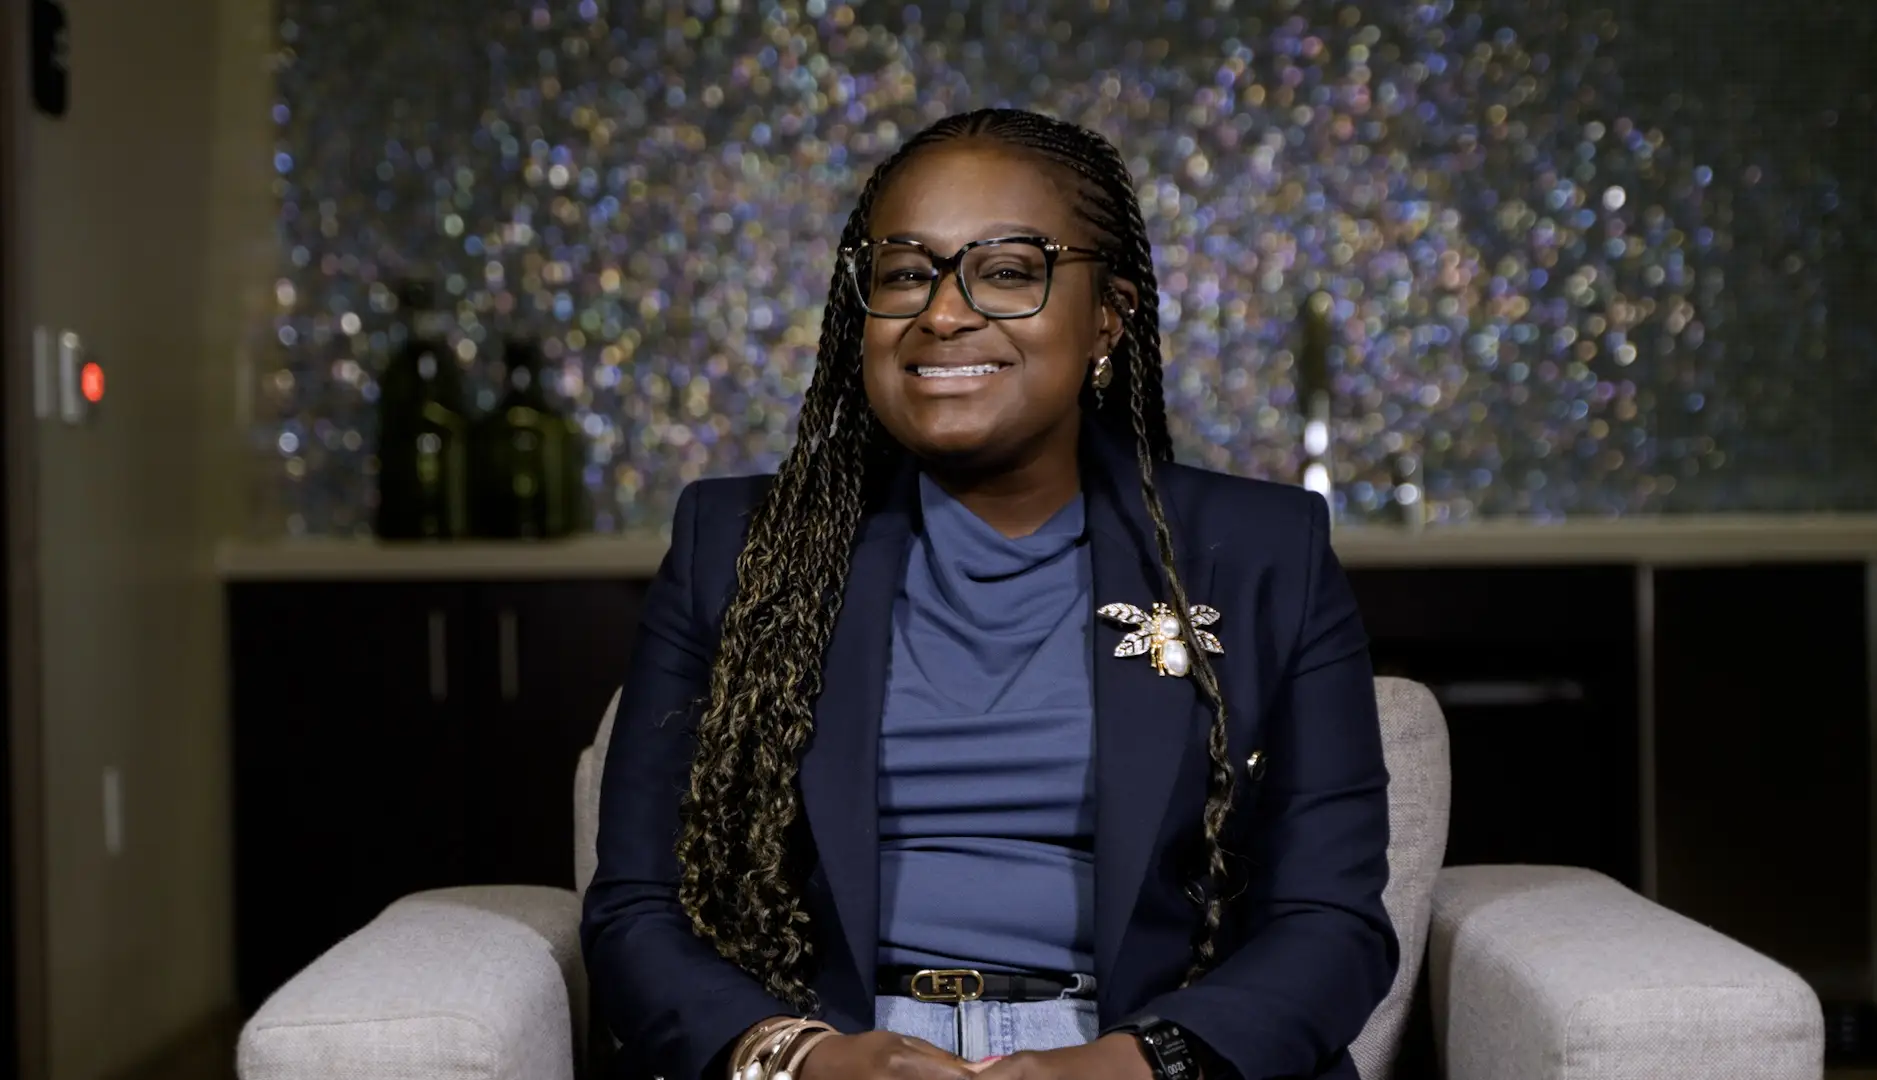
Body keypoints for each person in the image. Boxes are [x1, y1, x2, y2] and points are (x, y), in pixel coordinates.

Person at [582, 107, 1397, 1080]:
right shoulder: (735, 548)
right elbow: (636, 911)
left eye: (1008, 270)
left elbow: (1332, 925)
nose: (943, 311)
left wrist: (1123, 1068)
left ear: (1109, 316)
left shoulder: (1263, 552)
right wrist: (804, 1060)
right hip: (835, 1055)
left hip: (1136, 1058)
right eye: (904, 272)